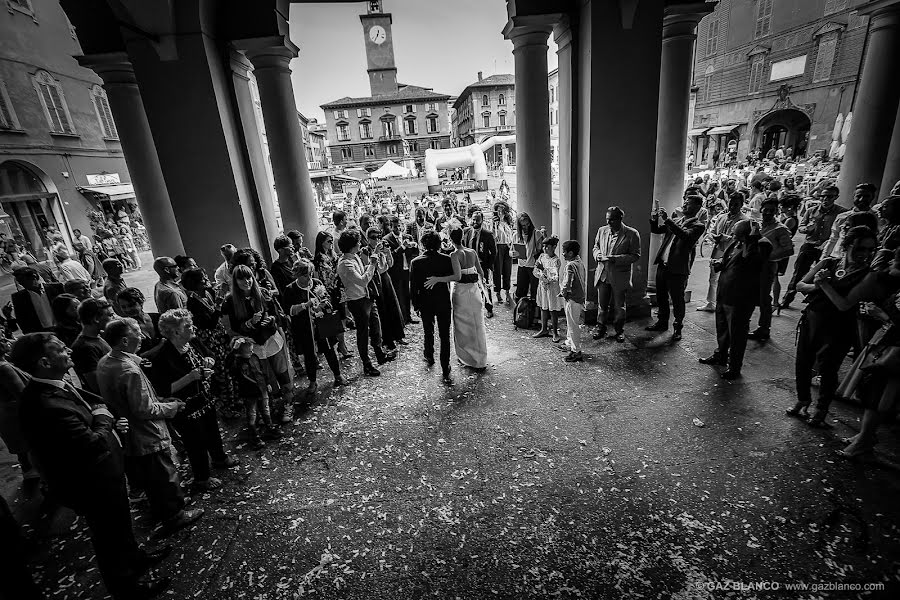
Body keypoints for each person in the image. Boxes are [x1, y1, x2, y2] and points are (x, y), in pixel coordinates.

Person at [12, 333, 171, 599]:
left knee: (120, 523)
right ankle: (126, 587)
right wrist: (103, 421)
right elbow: (90, 442)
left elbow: (93, 415)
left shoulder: (55, 385)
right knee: (108, 536)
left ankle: (135, 558)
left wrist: (108, 425)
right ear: (44, 361)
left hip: (107, 471)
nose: (68, 350)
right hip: (91, 483)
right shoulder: (44, 404)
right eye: (60, 348)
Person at [97, 318, 204, 532]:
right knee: (164, 476)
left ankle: (164, 509)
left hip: (131, 435)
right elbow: (144, 410)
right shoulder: (130, 371)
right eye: (138, 332)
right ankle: (175, 514)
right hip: (146, 433)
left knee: (152, 478)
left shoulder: (106, 362)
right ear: (125, 341)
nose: (144, 336)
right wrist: (171, 407)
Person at [787, 226, 878, 427]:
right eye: (860, 248)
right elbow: (801, 285)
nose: (865, 254)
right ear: (847, 246)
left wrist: (825, 285)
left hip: (839, 327)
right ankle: (803, 399)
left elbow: (844, 304)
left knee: (828, 369)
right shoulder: (829, 262)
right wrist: (818, 285)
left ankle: (821, 409)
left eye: (871, 250)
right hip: (812, 318)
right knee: (803, 362)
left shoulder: (868, 275)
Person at [144, 309, 238, 491]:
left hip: (205, 399)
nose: (192, 327)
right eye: (187, 326)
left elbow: (209, 354)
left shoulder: (192, 341)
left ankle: (219, 457)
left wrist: (209, 361)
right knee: (195, 442)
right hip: (185, 407)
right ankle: (202, 477)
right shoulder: (159, 357)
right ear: (175, 332)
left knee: (212, 430)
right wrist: (190, 377)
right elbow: (162, 390)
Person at [836, 251, 900, 458]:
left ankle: (864, 440)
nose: (891, 260)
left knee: (879, 397)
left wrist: (882, 316)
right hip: (884, 344)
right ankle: (865, 434)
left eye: (896, 259)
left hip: (894, 352)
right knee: (872, 391)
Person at [699, 220, 772, 379]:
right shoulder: (736, 242)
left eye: (736, 232)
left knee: (737, 334)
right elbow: (729, 260)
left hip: (741, 298)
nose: (732, 235)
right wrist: (719, 264)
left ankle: (734, 367)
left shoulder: (761, 245)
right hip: (724, 293)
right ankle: (721, 355)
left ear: (748, 233)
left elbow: (750, 261)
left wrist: (753, 237)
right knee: (722, 328)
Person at [221, 265, 293, 422]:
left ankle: (288, 405)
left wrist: (271, 319)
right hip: (253, 346)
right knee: (263, 380)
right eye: (241, 278)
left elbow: (277, 314)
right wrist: (249, 323)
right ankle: (268, 411)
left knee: (283, 374)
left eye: (248, 277)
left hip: (272, 340)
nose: (246, 281)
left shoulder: (262, 292)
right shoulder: (230, 301)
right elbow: (232, 328)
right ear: (235, 280)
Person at [283, 259, 346, 399]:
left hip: (321, 323)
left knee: (329, 349)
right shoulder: (290, 289)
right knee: (309, 354)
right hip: (304, 327)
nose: (309, 278)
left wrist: (325, 304)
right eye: (305, 275)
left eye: (311, 274)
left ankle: (338, 374)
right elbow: (290, 310)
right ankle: (312, 381)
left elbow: (325, 298)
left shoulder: (317, 283)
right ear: (297, 275)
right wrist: (306, 305)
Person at [647, 195, 706, 341]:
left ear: (698, 208)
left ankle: (677, 327)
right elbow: (657, 230)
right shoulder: (678, 221)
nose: (685, 205)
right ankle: (662, 322)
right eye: (684, 202)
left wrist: (668, 219)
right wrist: (655, 218)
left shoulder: (698, 225)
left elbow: (685, 236)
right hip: (663, 265)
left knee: (677, 300)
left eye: (689, 203)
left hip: (678, 269)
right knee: (661, 297)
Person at [180, 268, 238, 417]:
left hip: (220, 336)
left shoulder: (206, 294)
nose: (207, 280)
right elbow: (210, 323)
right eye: (203, 279)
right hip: (211, 341)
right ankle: (226, 408)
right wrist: (218, 304)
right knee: (222, 374)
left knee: (230, 368)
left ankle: (234, 400)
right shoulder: (193, 303)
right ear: (195, 283)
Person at [336, 230, 394, 376]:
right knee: (363, 333)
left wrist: (374, 254)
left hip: (367, 297)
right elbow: (362, 280)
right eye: (357, 242)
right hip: (357, 301)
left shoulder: (354, 256)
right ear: (351, 245)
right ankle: (367, 364)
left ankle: (380, 354)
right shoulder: (345, 264)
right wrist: (373, 264)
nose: (359, 244)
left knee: (376, 327)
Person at [781, 185, 846, 308]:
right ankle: (786, 300)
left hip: (827, 250)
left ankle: (816, 300)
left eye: (829, 197)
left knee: (824, 275)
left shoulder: (841, 213)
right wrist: (806, 229)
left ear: (836, 197)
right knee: (799, 273)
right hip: (809, 245)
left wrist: (827, 243)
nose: (825, 199)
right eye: (823, 196)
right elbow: (801, 227)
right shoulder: (812, 210)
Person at [409, 232, 454, 383]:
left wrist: (416, 305)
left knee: (428, 330)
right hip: (442, 300)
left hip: (425, 301)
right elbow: (452, 278)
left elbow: (413, 286)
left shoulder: (416, 262)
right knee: (444, 334)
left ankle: (429, 355)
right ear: (439, 244)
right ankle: (445, 365)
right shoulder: (446, 260)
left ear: (422, 245)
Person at [592, 206, 641, 342]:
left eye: (612, 220)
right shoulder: (602, 231)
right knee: (602, 305)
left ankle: (619, 330)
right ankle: (600, 327)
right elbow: (595, 247)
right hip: (602, 274)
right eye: (607, 219)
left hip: (619, 275)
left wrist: (615, 259)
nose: (608, 223)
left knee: (619, 306)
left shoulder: (632, 233)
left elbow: (635, 255)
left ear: (620, 219)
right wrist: (598, 255)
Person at [749, 198, 794, 341]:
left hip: (767, 266)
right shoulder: (757, 225)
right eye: (765, 209)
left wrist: (769, 257)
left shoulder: (780, 229)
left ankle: (764, 329)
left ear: (777, 211)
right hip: (752, 265)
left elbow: (789, 250)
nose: (768, 213)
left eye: (771, 210)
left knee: (764, 298)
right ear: (761, 209)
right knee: (750, 294)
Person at [698, 193, 748, 313]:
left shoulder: (744, 221)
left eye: (736, 205)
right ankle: (711, 302)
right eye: (731, 203)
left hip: (733, 254)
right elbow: (712, 231)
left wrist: (724, 237)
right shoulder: (722, 217)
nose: (732, 207)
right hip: (718, 251)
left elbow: (741, 238)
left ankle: (725, 303)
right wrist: (714, 237)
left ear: (741, 205)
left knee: (729, 280)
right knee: (713, 278)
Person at [225, 338, 277, 449]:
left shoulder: (254, 357)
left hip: (262, 388)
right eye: (248, 352)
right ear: (240, 353)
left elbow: (262, 371)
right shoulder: (237, 363)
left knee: (266, 410)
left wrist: (267, 383)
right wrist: (234, 350)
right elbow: (228, 365)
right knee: (252, 415)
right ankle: (255, 437)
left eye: (252, 350)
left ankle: (270, 428)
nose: (251, 353)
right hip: (249, 393)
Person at [361, 226, 407, 350]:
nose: (376, 240)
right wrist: (376, 252)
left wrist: (387, 253)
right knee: (383, 309)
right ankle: (387, 339)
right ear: (368, 238)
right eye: (373, 238)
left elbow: (389, 265)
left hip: (386, 278)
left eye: (378, 237)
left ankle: (398, 335)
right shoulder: (365, 251)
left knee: (393, 305)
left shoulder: (382, 248)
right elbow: (369, 267)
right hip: (376, 280)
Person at [0, 336, 38, 480]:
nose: (4, 339)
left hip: (9, 415)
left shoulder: (5, 363)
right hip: (17, 415)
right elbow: (24, 395)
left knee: (24, 452)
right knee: (29, 449)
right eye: (0, 339)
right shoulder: (4, 368)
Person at [821, 183, 878, 258]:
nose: (861, 199)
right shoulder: (842, 217)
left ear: (872, 197)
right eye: (858, 196)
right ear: (854, 197)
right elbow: (833, 239)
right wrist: (824, 257)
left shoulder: (877, 218)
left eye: (866, 196)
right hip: (838, 257)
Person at [71, 297, 114, 393]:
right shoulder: (85, 348)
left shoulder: (98, 336)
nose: (113, 319)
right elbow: (98, 386)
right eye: (110, 315)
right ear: (96, 319)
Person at [11, 266, 64, 334]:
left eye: (22, 280)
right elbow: (21, 319)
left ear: (34, 277)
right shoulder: (18, 297)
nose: (21, 284)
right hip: (40, 333)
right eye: (19, 281)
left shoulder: (57, 288)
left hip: (62, 328)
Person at [558, 240, 587, 362]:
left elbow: (567, 283)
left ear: (570, 253)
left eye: (564, 252)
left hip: (572, 298)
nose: (563, 254)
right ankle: (570, 344)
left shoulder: (570, 265)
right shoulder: (579, 262)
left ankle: (576, 351)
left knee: (573, 325)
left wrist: (563, 293)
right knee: (572, 323)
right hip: (579, 298)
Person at [532, 236, 565, 342]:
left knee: (553, 310)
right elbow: (535, 271)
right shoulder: (542, 256)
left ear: (554, 247)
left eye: (548, 247)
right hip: (542, 286)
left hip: (552, 289)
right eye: (544, 246)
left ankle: (555, 332)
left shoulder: (556, 260)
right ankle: (544, 329)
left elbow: (554, 277)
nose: (545, 249)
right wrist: (540, 274)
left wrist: (543, 270)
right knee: (543, 307)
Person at [117, 287, 162, 355]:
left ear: (141, 302)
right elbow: (136, 356)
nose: (128, 310)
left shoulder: (158, 318)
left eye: (131, 305)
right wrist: (160, 346)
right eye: (123, 307)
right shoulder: (126, 330)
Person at [511, 212, 544, 302]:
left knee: (535, 291)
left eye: (527, 224)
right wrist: (513, 254)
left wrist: (537, 250)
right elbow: (511, 250)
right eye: (523, 226)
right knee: (521, 291)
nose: (526, 227)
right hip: (521, 265)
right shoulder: (516, 235)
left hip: (533, 266)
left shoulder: (536, 234)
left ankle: (534, 311)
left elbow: (541, 252)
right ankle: (523, 311)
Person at [492, 201, 515, 305]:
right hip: (498, 247)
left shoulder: (508, 223)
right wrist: (495, 224)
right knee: (497, 270)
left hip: (508, 247)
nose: (500, 213)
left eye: (502, 211)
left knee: (507, 270)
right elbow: (494, 236)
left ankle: (507, 291)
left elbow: (510, 236)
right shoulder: (494, 223)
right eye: (498, 211)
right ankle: (497, 293)